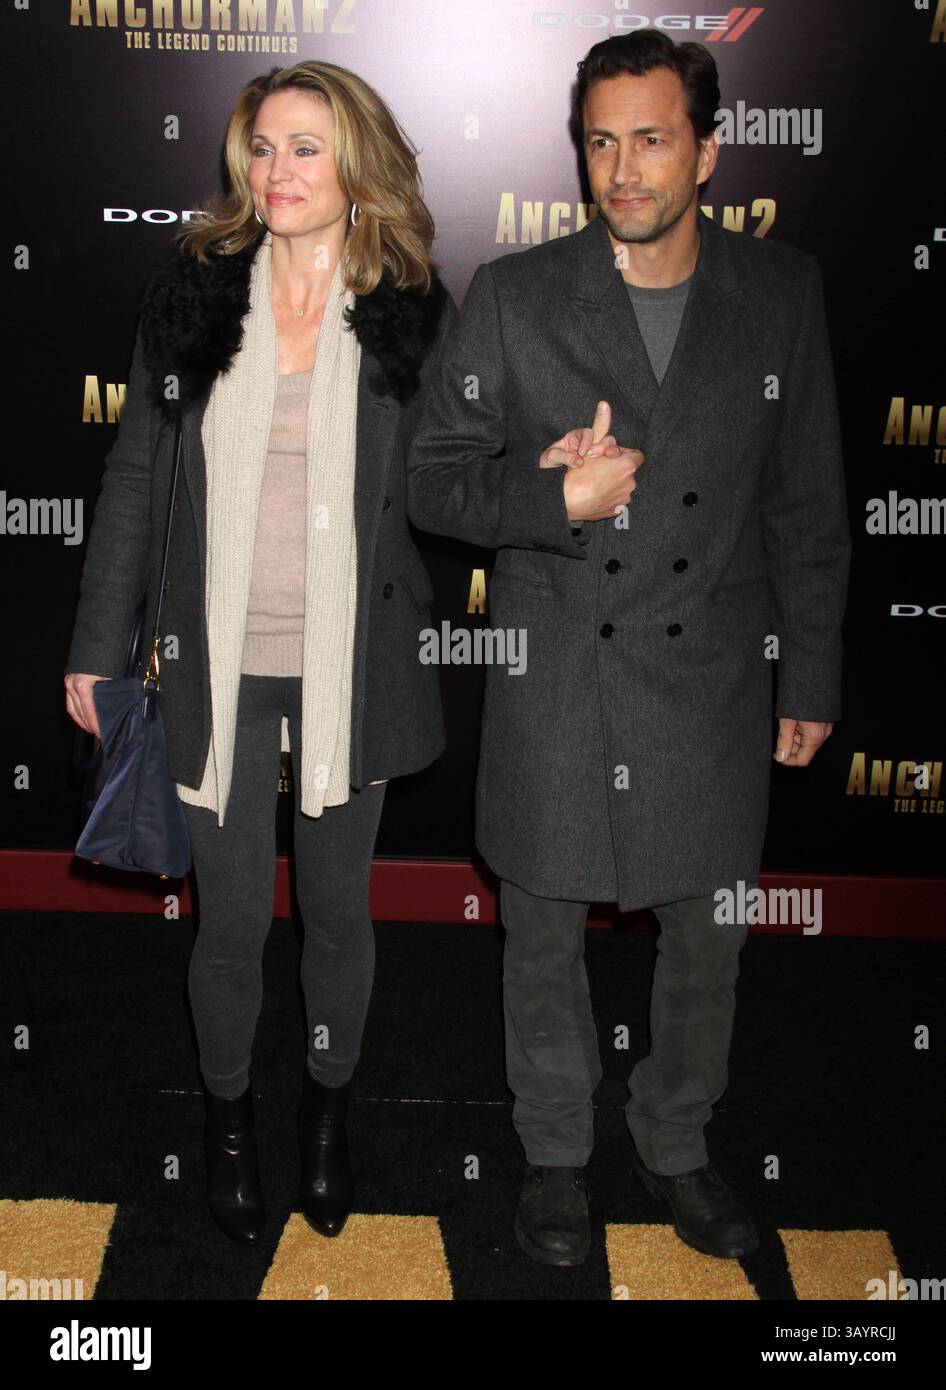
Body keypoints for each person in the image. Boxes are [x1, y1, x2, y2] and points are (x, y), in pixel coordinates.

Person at [407, 30, 850, 1267]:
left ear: (707, 151)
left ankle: (674, 1141)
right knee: (541, 938)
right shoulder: (516, 294)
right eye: (600, 141)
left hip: (707, 680)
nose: (624, 168)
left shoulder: (781, 292)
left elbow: (808, 503)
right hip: (560, 682)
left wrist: (807, 673)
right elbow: (432, 484)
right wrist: (554, 503)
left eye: (651, 139)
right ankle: (555, 1156)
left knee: (706, 943)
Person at [64, 59, 457, 1247]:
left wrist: (557, 478)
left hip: (357, 665)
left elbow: (457, 475)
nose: (280, 172)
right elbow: (135, 474)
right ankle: (228, 1120)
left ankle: (326, 1118)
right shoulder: (193, 294)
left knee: (338, 913)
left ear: (358, 165)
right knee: (230, 920)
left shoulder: (415, 311)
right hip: (214, 664)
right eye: (265, 147)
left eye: (308, 147)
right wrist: (96, 643)